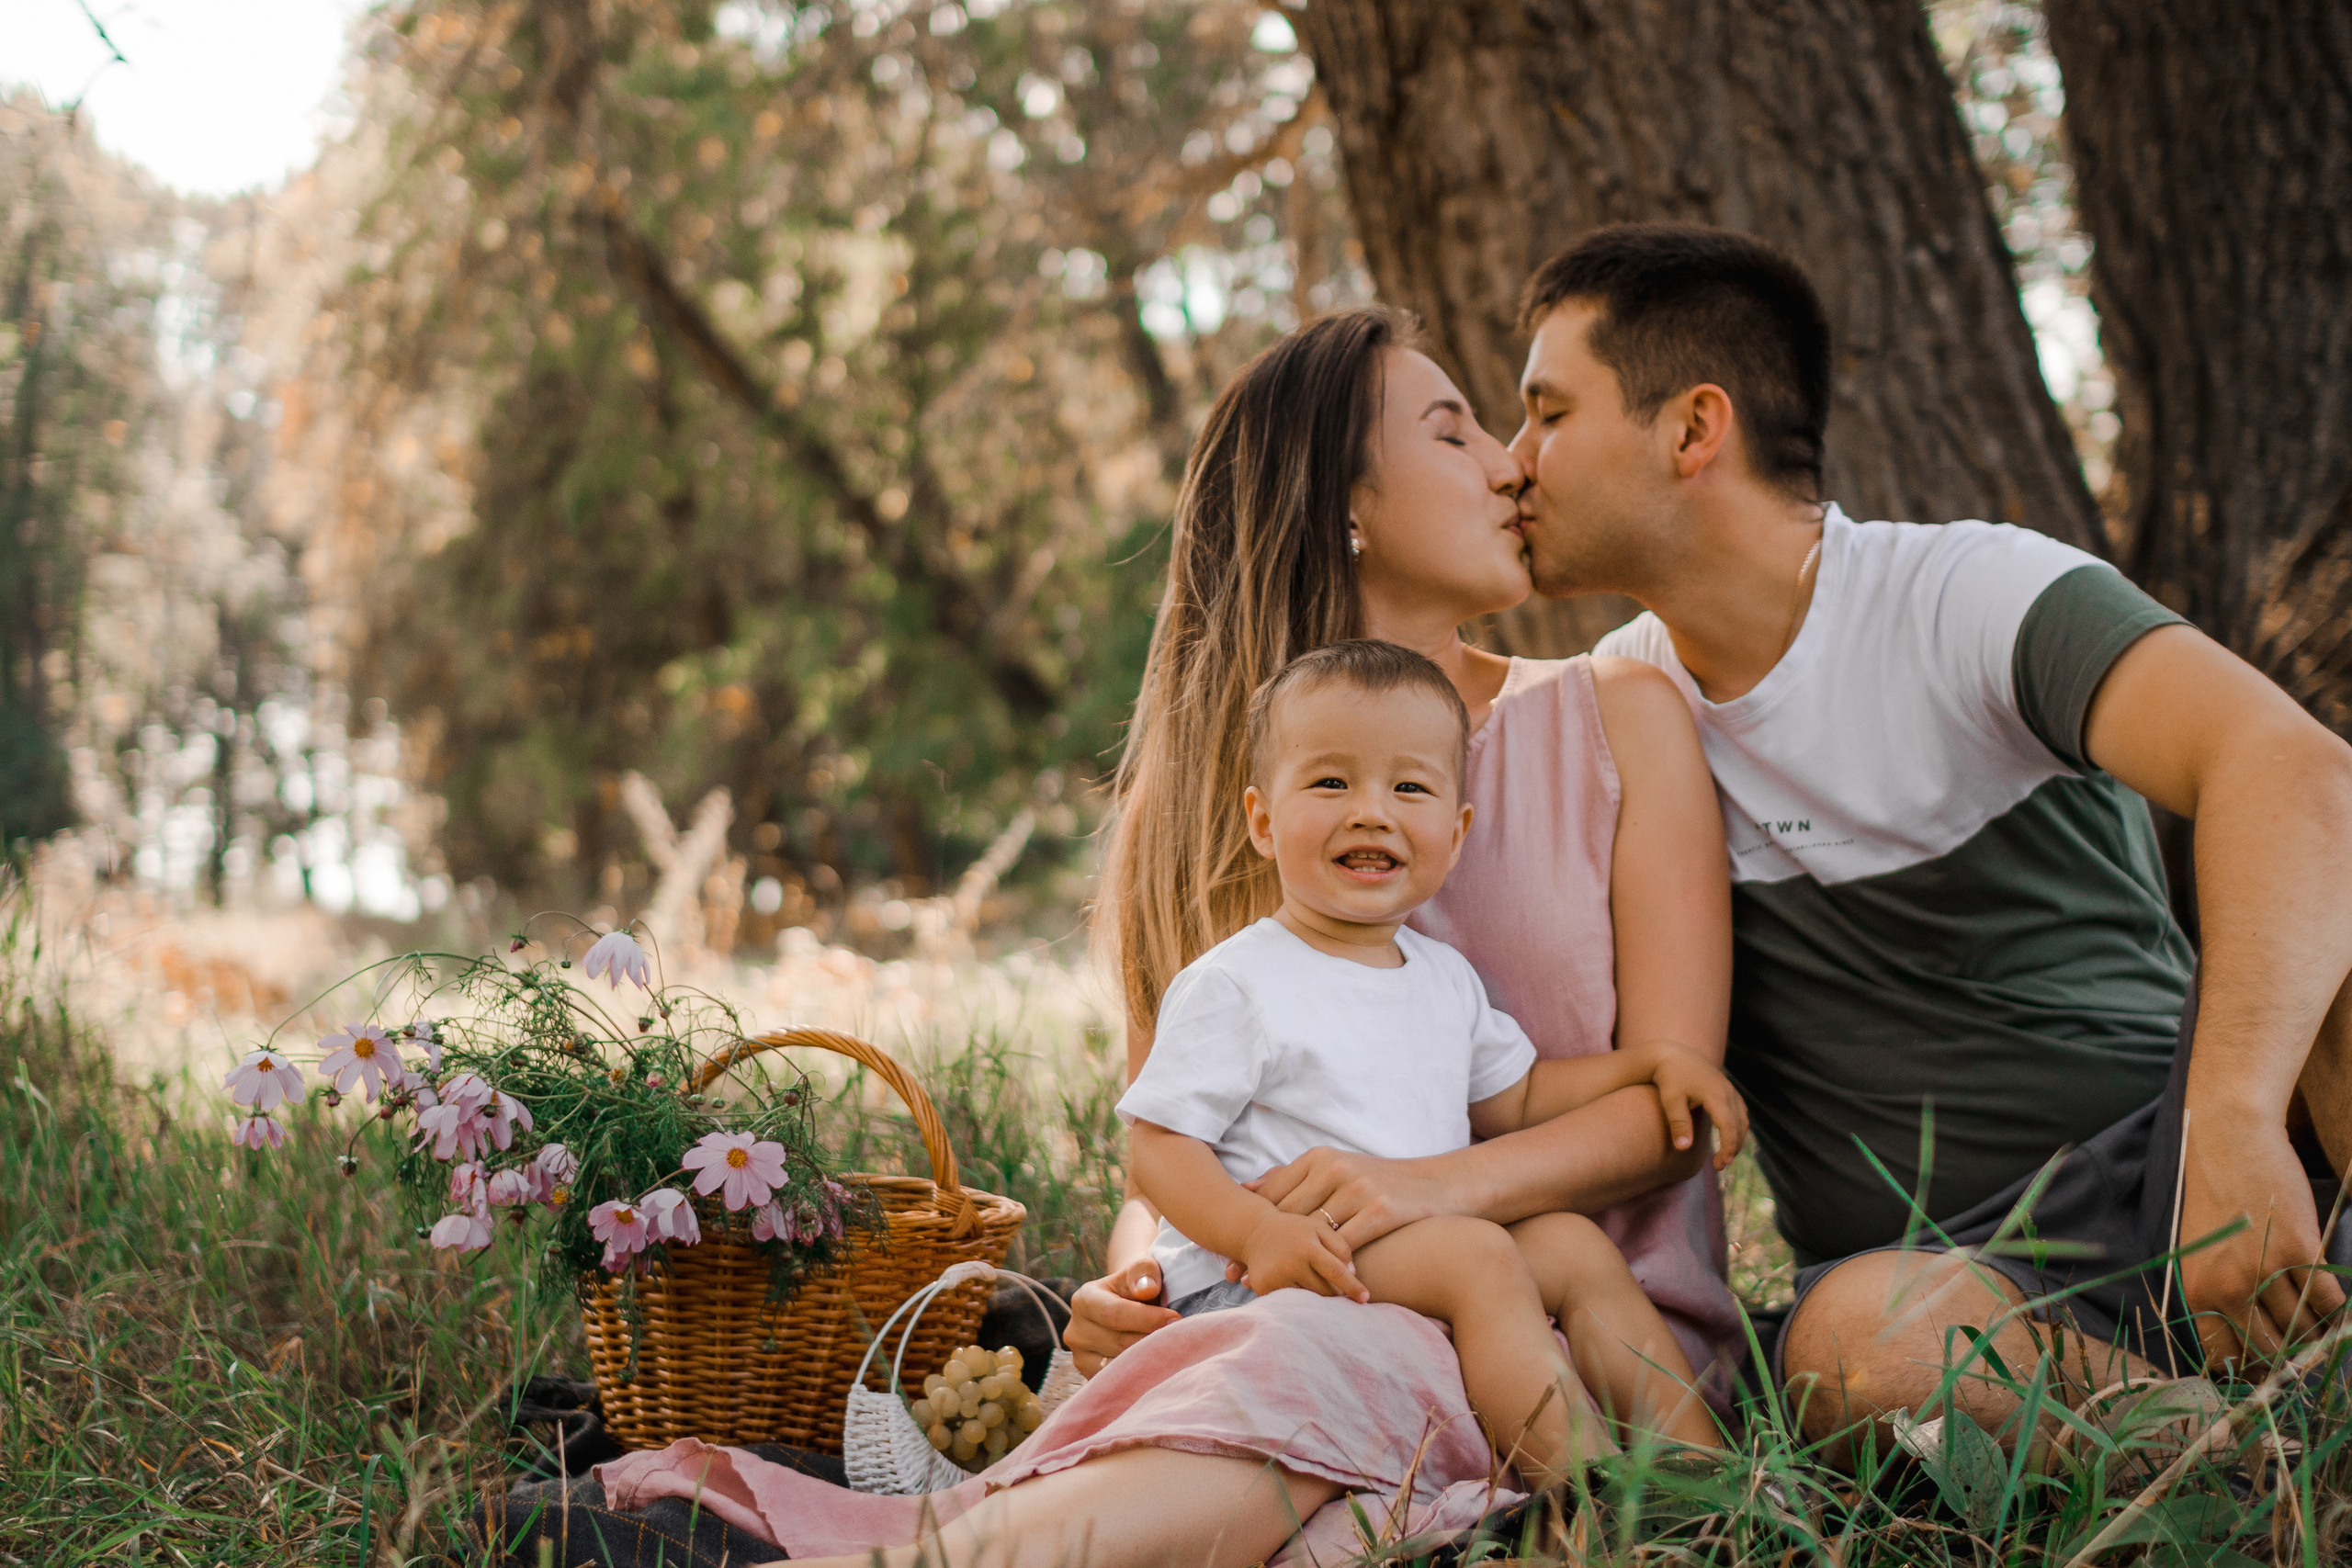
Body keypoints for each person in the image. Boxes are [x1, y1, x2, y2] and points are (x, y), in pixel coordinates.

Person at [561, 307, 1739, 1568]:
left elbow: (1662, 1109)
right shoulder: (1195, 811)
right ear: (1343, 500)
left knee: (1309, 1372)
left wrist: (1418, 1195)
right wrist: (1141, 1285)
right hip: (1302, 1300)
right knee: (1295, 1392)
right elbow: (1174, 1144)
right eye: (1454, 432)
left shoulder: (1619, 713)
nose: (1512, 462)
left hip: (1589, 1333)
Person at [1488, 220, 2352, 1461]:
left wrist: (2231, 1112)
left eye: (1547, 415)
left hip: (2197, 1161)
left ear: (1692, 428)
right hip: (1947, 1291)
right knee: (1850, 1342)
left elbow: (2298, 771)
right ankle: (2243, 1460)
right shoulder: (1609, 714)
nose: (1514, 466)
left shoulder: (1964, 593)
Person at [1124, 638, 1744, 1482]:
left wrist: (1651, 1063)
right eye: (1331, 782)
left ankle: (1710, 1482)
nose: (1371, 811)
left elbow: (1518, 1099)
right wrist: (1259, 1231)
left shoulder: (1442, 977)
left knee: (1568, 1244)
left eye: (1408, 786)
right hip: (1272, 1274)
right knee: (1477, 1255)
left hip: (1400, 1245)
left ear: (1453, 836)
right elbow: (1158, 1145)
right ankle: (1586, 1495)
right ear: (1264, 822)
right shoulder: (1240, 981)